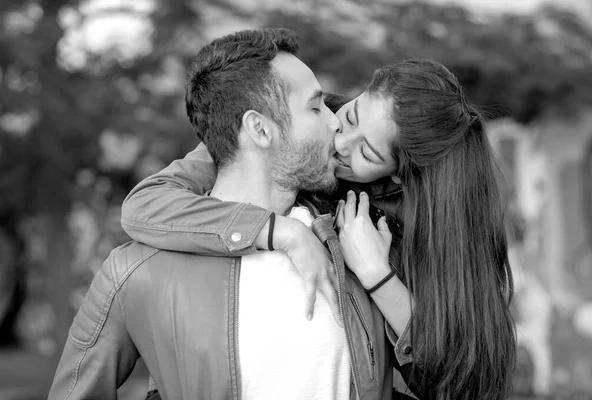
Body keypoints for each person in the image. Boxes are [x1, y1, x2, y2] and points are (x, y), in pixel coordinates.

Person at [48, 28, 413, 400]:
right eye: (315, 108)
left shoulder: (363, 243)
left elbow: (455, 374)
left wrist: (379, 276)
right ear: (259, 128)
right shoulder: (135, 272)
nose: (335, 123)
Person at [121, 58, 517, 399]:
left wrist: (377, 275)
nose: (341, 141)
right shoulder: (292, 128)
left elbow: (459, 380)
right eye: (351, 117)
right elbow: (147, 203)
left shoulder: (418, 229)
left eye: (367, 153)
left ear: (397, 178)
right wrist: (279, 231)